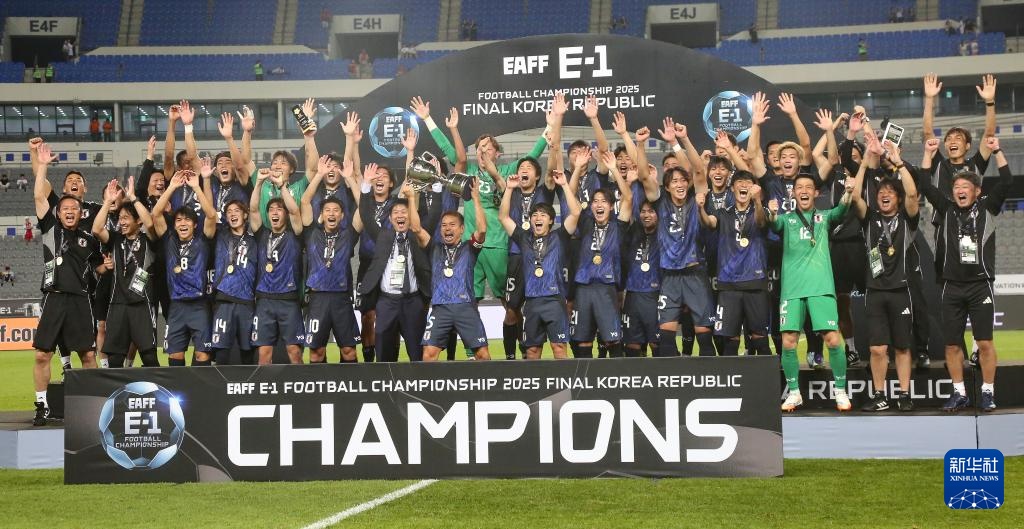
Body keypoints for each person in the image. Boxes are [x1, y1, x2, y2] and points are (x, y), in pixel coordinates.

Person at [920, 136, 1011, 412]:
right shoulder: (946, 208)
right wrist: (928, 153)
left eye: (965, 187)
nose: (960, 190)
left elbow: (1007, 182)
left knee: (984, 342)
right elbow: (925, 184)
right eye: (956, 187)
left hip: (980, 285)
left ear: (976, 191)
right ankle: (959, 393)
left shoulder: (987, 208)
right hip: (951, 286)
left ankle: (987, 391)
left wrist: (997, 151)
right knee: (951, 345)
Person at [769, 153, 858, 412]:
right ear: (793, 194)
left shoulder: (825, 217)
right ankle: (794, 393)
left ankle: (840, 391)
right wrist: (771, 213)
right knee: (788, 342)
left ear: (816, 193)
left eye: (809, 187)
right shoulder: (786, 220)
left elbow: (842, 210)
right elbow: (772, 223)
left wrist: (848, 193)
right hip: (792, 290)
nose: (804, 191)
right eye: (799, 188)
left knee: (833, 340)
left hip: (820, 287)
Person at [31, 143, 102, 426]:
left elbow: (99, 266)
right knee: (42, 355)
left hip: (81, 300)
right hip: (54, 297)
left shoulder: (89, 239)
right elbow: (39, 194)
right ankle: (41, 406)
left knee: (88, 355)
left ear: (80, 212)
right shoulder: (50, 227)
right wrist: (42, 164)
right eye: (65, 208)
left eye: (74, 208)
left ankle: (91, 407)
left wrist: (106, 266)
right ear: (58, 213)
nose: (70, 211)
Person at [850, 135, 919, 412]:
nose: (884, 195)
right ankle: (880, 395)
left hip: (901, 291)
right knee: (877, 349)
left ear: (897, 198)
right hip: (875, 291)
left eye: (890, 192)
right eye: (880, 193)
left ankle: (904, 394)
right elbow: (855, 196)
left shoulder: (907, 219)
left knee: (902, 347)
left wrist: (899, 164)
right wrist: (864, 163)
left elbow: (913, 195)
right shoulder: (870, 219)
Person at [635, 119, 715, 357]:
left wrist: (680, 141)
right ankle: (673, 377)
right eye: (674, 182)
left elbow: (698, 170)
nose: (679, 184)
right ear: (667, 187)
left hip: (695, 273)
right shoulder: (659, 202)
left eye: (682, 180)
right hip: (669, 276)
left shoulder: (695, 199)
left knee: (704, 335)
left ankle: (709, 376)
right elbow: (643, 176)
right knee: (667, 337)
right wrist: (640, 145)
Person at [499, 169, 581, 359]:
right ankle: (533, 381)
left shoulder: (560, 237)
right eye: (534, 215)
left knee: (559, 348)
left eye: (543, 215)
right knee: (532, 351)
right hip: (532, 302)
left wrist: (564, 185)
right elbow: (503, 217)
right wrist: (509, 189)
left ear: (551, 220)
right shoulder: (523, 238)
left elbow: (576, 212)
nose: (538, 218)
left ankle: (563, 380)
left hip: (554, 301)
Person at [358, 173, 433, 362]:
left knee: (417, 354)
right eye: (396, 213)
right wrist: (366, 186)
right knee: (384, 355)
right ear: (390, 219)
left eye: (404, 212)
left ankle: (418, 382)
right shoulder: (383, 236)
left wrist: (412, 197)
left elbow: (433, 214)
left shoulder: (418, 237)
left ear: (411, 216)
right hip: (387, 302)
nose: (400, 215)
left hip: (413, 302)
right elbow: (366, 216)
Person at [697, 171, 773, 356]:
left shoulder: (760, 210)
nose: (744, 185)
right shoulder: (723, 213)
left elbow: (761, 222)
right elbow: (709, 223)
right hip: (729, 284)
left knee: (760, 338)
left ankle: (765, 375)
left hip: (755, 283)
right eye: (739, 182)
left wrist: (757, 201)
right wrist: (700, 208)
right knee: (730, 340)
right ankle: (732, 376)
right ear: (732, 188)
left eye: (748, 182)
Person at [417, 179, 492, 361]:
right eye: (443, 225)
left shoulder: (470, 247)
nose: (447, 228)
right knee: (428, 354)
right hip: (440, 307)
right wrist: (412, 197)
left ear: (462, 229)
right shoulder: (434, 248)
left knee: (482, 354)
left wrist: (476, 198)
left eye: (452, 224)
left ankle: (489, 382)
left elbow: (482, 229)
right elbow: (416, 229)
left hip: (465, 306)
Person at [91, 177, 160, 368]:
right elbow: (96, 229)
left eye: (126, 218)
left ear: (137, 221)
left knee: (149, 357)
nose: (121, 222)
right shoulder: (115, 239)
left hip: (142, 304)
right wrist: (107, 202)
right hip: (117, 304)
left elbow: (150, 223)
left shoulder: (149, 241)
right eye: (120, 218)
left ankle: (157, 388)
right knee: (114, 359)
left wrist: (133, 198)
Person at [152, 170, 218, 367]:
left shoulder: (202, 241)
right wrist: (172, 186)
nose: (182, 223)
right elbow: (155, 214)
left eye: (187, 220)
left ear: (195, 225)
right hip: (176, 306)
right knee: (175, 356)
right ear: (174, 225)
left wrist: (196, 187)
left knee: (202, 355)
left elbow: (211, 215)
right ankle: (179, 389)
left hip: (199, 305)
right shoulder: (169, 240)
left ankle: (200, 388)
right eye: (179, 220)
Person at [569, 151, 632, 358]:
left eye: (603, 201)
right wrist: (577, 169)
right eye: (595, 201)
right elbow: (571, 198)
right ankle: (583, 380)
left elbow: (628, 198)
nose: (598, 205)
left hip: (607, 288)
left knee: (612, 339)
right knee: (583, 341)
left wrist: (614, 168)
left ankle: (617, 377)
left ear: (611, 207)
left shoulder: (618, 226)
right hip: (583, 287)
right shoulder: (586, 222)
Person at [300, 157, 361, 364]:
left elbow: (363, 207)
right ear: (322, 214)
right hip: (317, 298)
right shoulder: (311, 233)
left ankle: (348, 386)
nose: (332, 213)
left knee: (348, 351)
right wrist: (319, 175)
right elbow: (305, 202)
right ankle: (318, 387)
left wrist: (349, 179)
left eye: (336, 210)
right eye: (327, 210)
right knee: (316, 352)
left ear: (342, 215)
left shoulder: (348, 234)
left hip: (341, 297)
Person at [249, 169, 305, 364]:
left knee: (294, 352)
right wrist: (258, 183)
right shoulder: (262, 234)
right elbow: (253, 210)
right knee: (264, 352)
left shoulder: (295, 234)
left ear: (285, 215)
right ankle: (265, 386)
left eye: (279, 209)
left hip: (288, 299)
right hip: (264, 299)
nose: (274, 212)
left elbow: (295, 211)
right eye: (271, 209)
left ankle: (301, 384)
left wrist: (282, 186)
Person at [208, 199, 258, 365]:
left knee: (248, 352)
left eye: (236, 210)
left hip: (247, 301)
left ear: (245, 215)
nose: (232, 214)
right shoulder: (220, 235)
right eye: (229, 211)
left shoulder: (255, 240)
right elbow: (210, 214)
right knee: (221, 352)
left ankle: (247, 384)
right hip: (224, 301)